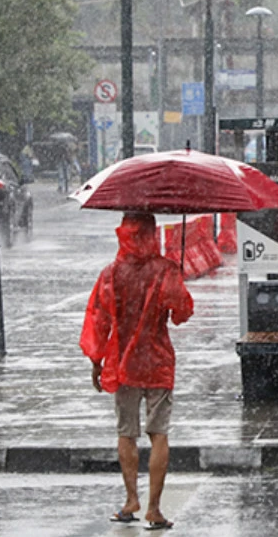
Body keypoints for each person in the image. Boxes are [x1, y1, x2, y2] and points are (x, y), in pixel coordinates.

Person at [80, 212, 194, 530]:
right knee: (159, 433)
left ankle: (131, 499)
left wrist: (96, 362)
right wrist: (177, 281)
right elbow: (181, 314)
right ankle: (154, 509)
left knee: (126, 432)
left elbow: (98, 319)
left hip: (123, 363)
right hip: (157, 361)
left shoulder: (112, 273)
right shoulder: (165, 270)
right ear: (152, 234)